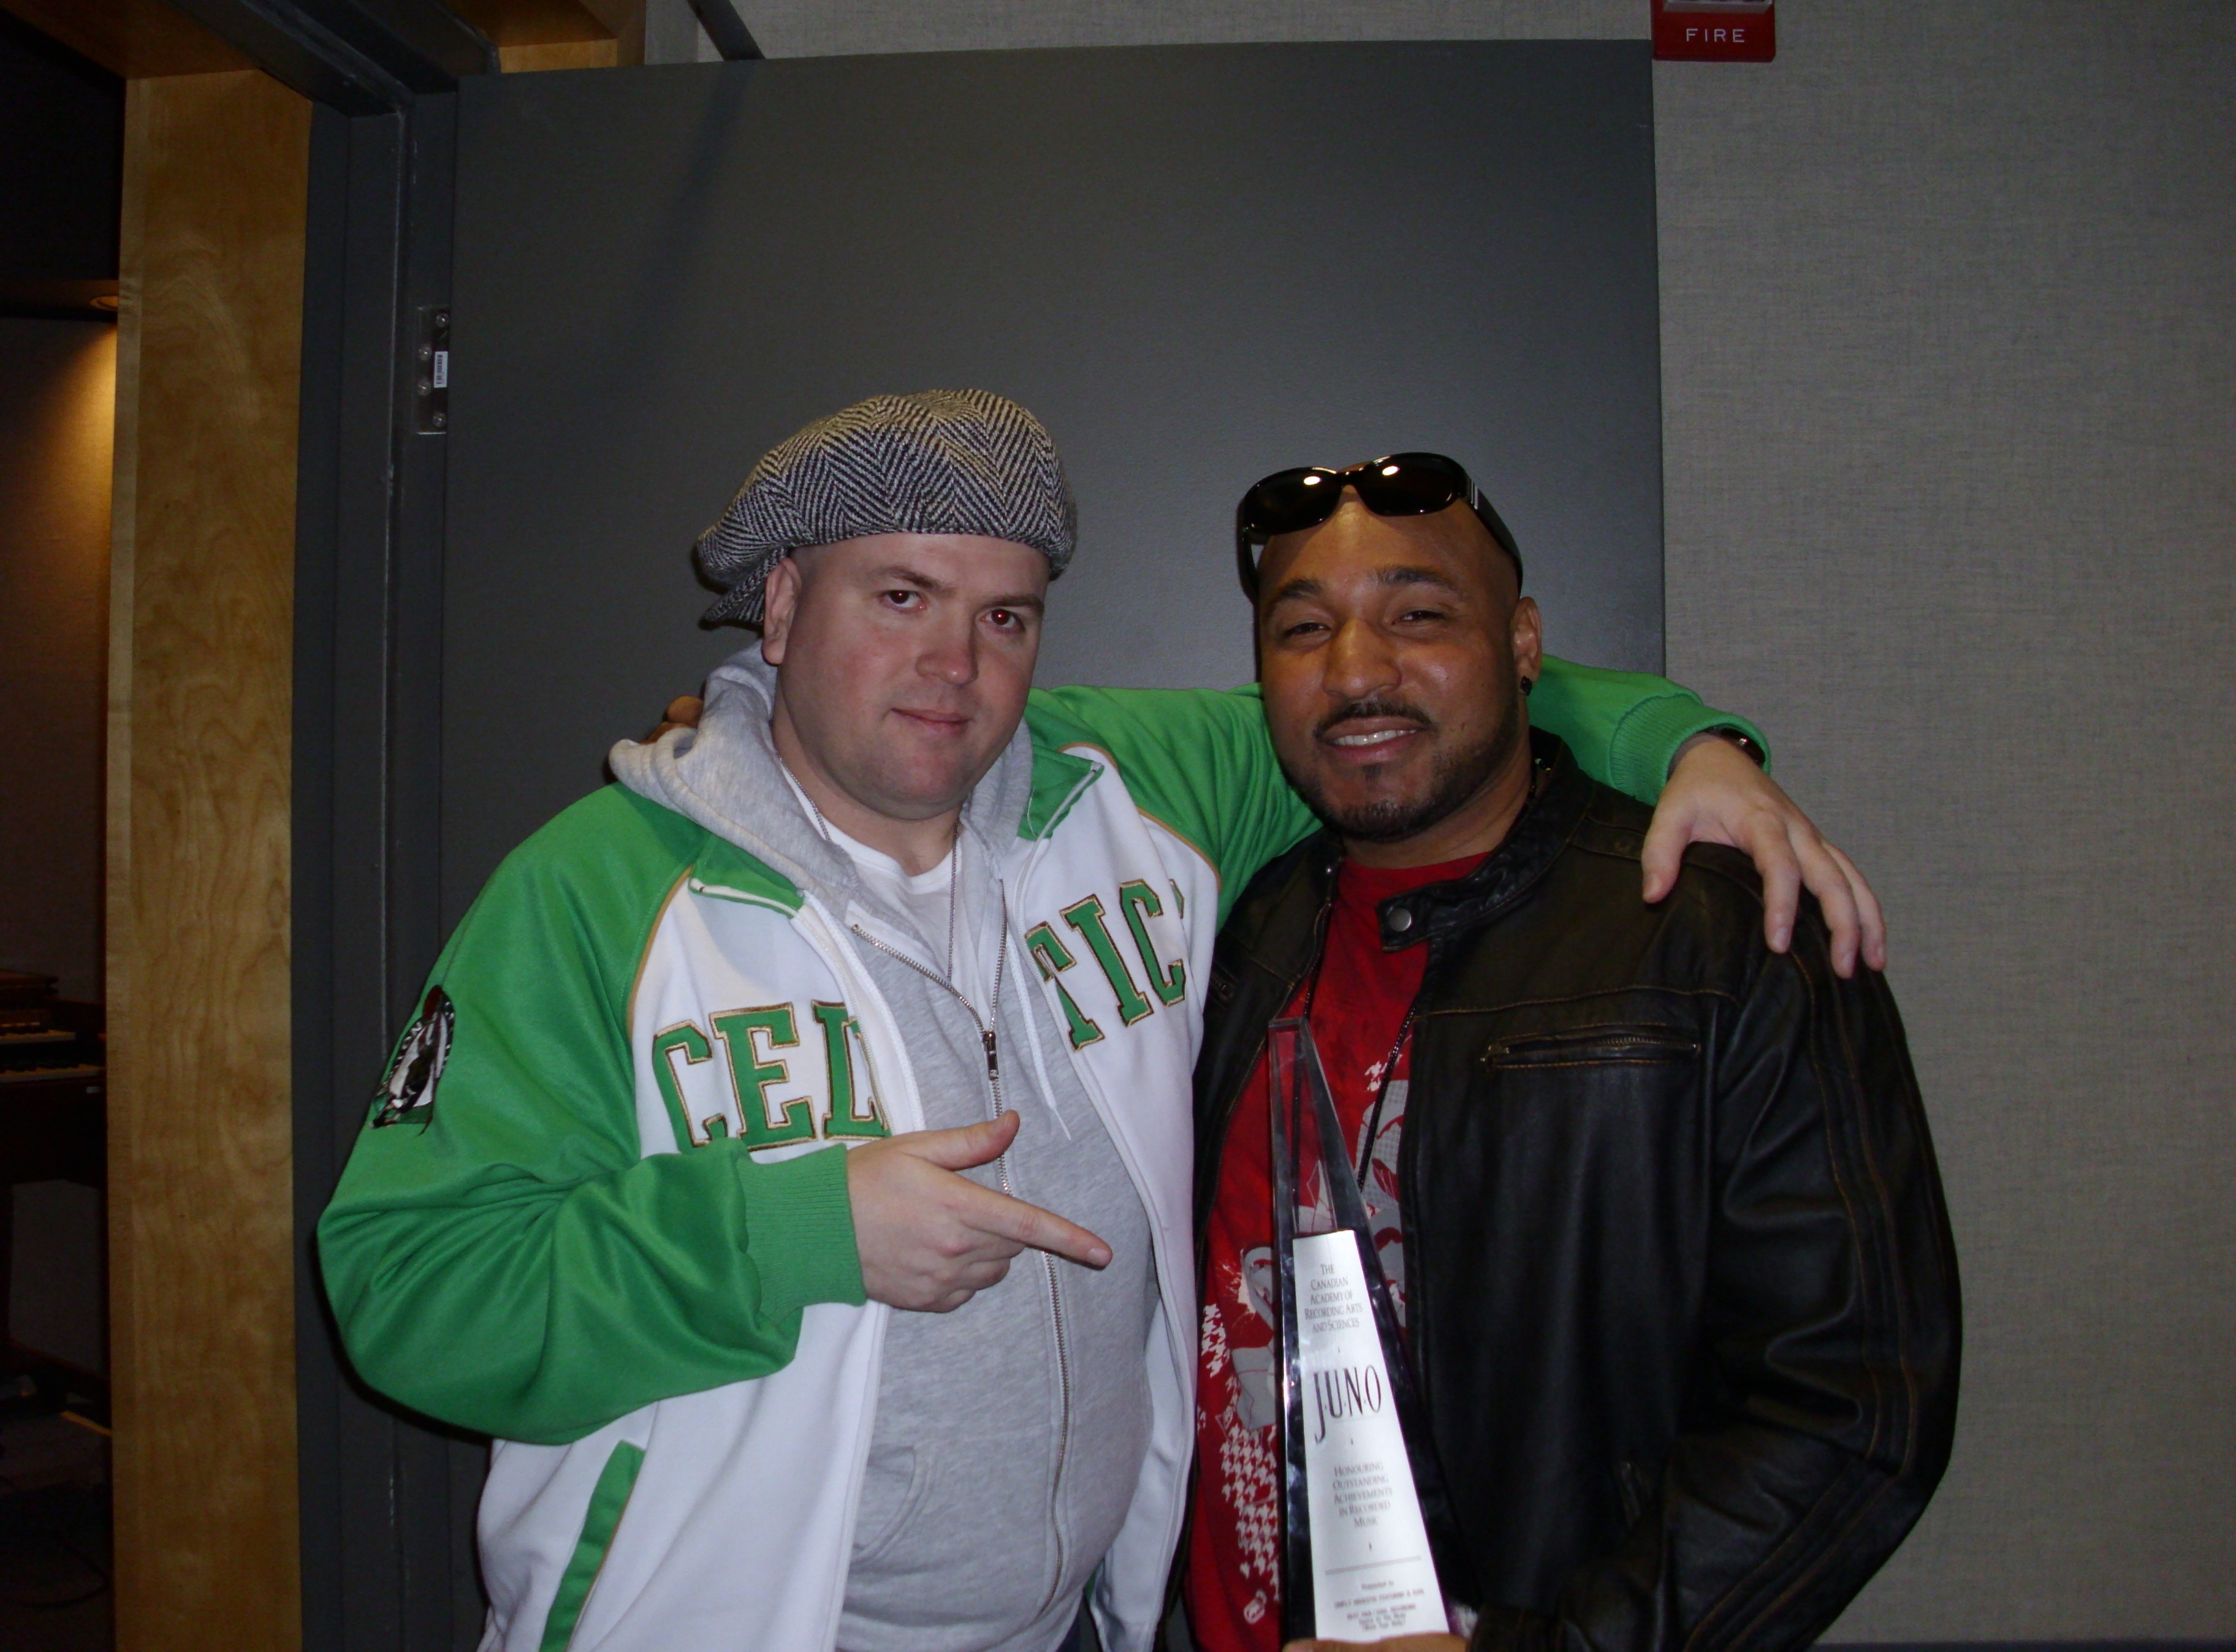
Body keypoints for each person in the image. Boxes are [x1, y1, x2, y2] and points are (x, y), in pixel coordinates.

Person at [318, 392, 1885, 1652]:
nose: (955, 666)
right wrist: (798, 1234)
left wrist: (1693, 747)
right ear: (780, 606)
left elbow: (1411, 701)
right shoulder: (597, 892)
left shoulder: (1131, 796)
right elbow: (404, 1290)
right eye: (902, 598)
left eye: (1006, 617)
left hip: (1085, 1624)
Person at [1184, 457, 1960, 1652]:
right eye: (1302, 629)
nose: (1356, 671)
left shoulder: (1718, 938)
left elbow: (1853, 1406)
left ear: (1525, 645)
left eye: (1418, 615)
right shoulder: (1230, 931)